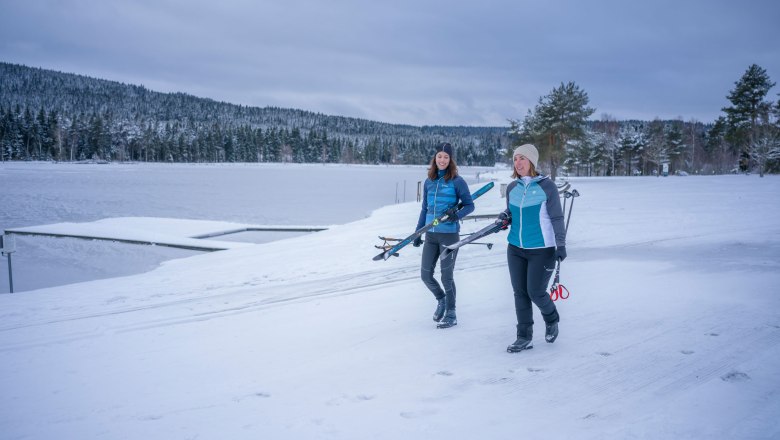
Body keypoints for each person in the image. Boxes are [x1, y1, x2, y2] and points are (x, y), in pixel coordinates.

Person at [497, 144, 566, 352]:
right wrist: (504, 217)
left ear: (532, 162)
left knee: (535, 292)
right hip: (515, 248)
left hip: (542, 249)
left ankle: (552, 318)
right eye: (515, 159)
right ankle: (524, 337)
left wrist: (560, 245)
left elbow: (556, 217)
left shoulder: (547, 187)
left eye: (522, 158)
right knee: (520, 293)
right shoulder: (512, 188)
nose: (518, 163)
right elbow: (511, 212)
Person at [413, 142, 474, 329]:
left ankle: (451, 312)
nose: (442, 160)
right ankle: (441, 299)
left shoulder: (457, 181)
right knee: (425, 275)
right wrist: (418, 231)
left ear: (450, 160)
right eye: (439, 156)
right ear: (435, 158)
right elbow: (425, 208)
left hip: (449, 235)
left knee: (446, 276)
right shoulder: (429, 182)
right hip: (430, 235)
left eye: (446, 157)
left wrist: (458, 215)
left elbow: (470, 205)